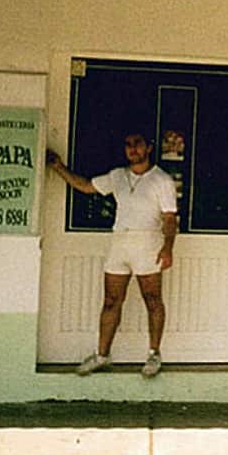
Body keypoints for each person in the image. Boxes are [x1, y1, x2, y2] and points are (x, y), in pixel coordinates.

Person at [46, 131, 178, 378]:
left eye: (137, 144)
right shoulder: (117, 176)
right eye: (128, 145)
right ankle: (102, 355)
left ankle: (153, 354)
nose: (133, 149)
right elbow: (86, 186)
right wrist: (58, 167)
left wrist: (168, 247)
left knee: (152, 299)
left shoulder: (162, 180)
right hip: (120, 242)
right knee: (111, 301)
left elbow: (170, 218)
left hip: (148, 241)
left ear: (148, 147)